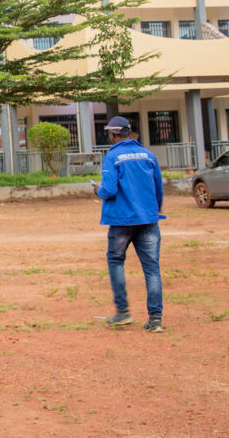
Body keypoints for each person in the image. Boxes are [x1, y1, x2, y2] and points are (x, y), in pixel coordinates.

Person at [92, 116, 165, 332]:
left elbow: (110, 190)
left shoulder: (112, 156)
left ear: (113, 134)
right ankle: (155, 320)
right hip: (148, 219)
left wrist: (97, 190)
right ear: (128, 132)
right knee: (152, 269)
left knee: (115, 260)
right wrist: (154, 210)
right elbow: (158, 187)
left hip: (122, 219)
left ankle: (123, 312)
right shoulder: (149, 155)